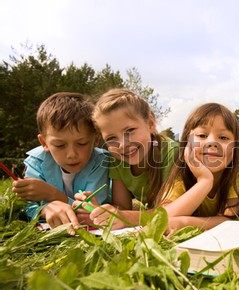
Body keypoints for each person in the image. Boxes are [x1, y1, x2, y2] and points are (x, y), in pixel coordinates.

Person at [12, 92, 110, 231]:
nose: (71, 154)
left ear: (95, 140)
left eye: (82, 143)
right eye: (59, 145)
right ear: (44, 143)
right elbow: (27, 207)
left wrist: (52, 195)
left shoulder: (101, 161)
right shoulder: (36, 162)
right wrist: (45, 209)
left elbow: (90, 210)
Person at [156, 102, 239, 232]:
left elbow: (234, 219)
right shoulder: (181, 174)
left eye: (223, 137)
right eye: (202, 135)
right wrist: (205, 181)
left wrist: (185, 222)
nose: (212, 142)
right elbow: (161, 220)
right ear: (187, 143)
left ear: (235, 147)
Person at [82, 88, 178, 229]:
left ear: (151, 124)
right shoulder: (117, 159)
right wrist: (100, 212)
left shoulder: (172, 152)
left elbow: (172, 211)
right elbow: (121, 206)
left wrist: (125, 217)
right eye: (111, 138)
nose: (122, 145)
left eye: (130, 131)